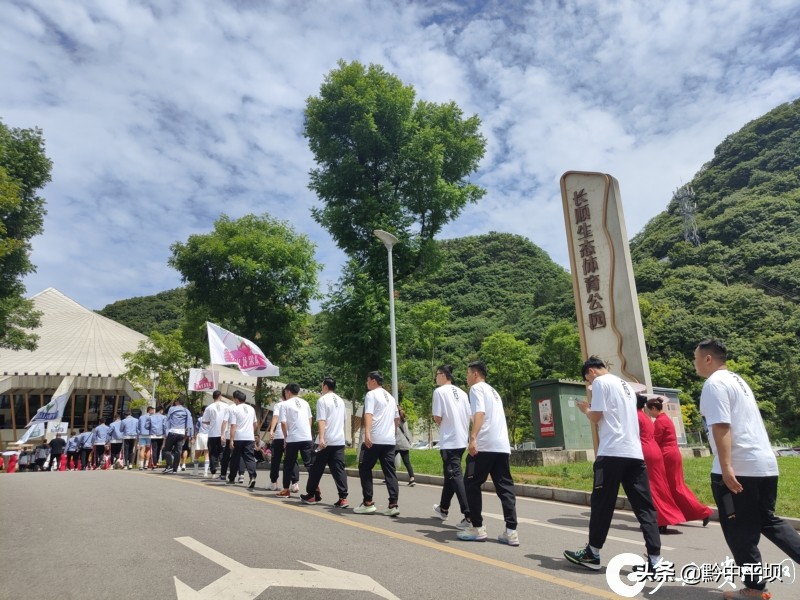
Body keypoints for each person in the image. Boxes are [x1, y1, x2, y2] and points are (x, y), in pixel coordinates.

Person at [695, 338, 800, 599]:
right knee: (768, 521)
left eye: (696, 358)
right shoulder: (737, 381)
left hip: (739, 469)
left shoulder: (714, 383)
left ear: (708, 359)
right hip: (764, 465)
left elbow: (721, 426)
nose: (694, 363)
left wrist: (727, 466)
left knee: (738, 528)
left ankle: (754, 588)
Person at [563, 356, 661, 570]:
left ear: (590, 371)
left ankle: (593, 553)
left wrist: (586, 410)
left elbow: (597, 417)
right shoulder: (624, 384)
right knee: (644, 507)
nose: (589, 383)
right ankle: (655, 560)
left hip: (612, 452)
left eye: (587, 379)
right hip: (634, 454)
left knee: (602, 504)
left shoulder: (599, 383)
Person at [457, 361, 518, 546]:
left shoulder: (476, 389)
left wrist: (473, 437)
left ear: (475, 374)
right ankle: (511, 531)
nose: (466, 377)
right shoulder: (493, 391)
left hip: (485, 445)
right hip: (501, 446)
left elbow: (480, 414)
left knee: (471, 483)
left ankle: (477, 528)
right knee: (505, 487)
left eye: (468, 373)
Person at [647, 395, 712, 526]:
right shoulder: (666, 419)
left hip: (667, 456)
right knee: (676, 486)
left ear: (654, 408)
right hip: (673, 454)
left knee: (674, 487)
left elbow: (656, 440)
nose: (648, 413)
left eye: (649, 410)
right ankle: (687, 512)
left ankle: (702, 511)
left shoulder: (660, 421)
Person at [353, 371, 400, 516]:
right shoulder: (391, 398)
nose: (367, 383)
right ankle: (393, 505)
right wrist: (391, 432)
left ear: (373, 381)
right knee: (390, 472)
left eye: (368, 380)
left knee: (364, 468)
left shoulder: (371, 395)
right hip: (389, 440)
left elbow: (368, 414)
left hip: (375, 439)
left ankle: (368, 502)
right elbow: (396, 419)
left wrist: (367, 433)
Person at [636, 394, 685, 533]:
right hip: (658, 452)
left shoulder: (645, 418)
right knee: (665, 486)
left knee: (655, 487)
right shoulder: (648, 418)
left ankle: (663, 518)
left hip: (655, 452)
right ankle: (667, 516)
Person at [431, 364, 472, 529]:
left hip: (450, 440)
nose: (435, 377)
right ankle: (443, 508)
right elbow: (470, 416)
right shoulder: (462, 392)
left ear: (443, 375)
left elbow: (437, 418)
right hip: (462, 439)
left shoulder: (439, 392)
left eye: (437, 374)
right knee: (450, 475)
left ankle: (469, 516)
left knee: (454, 475)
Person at [300, 377, 349, 508]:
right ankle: (343, 498)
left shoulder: (322, 400)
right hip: (338, 441)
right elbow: (343, 420)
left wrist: (321, 438)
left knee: (315, 468)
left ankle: (311, 495)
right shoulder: (341, 400)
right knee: (339, 470)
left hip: (325, 441)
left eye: (322, 386)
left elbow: (321, 420)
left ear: (326, 387)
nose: (321, 389)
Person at [276, 384, 313, 498]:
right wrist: (307, 431)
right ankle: (315, 487)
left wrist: (286, 437)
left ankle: (286, 489)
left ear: (288, 392)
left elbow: (283, 422)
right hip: (307, 437)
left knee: (289, 464)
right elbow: (310, 418)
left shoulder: (285, 404)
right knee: (309, 464)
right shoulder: (305, 403)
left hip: (293, 438)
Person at [268, 388, 299, 492]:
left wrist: (271, 430)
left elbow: (276, 417)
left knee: (276, 459)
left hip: (279, 435)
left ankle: (274, 483)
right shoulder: (296, 404)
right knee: (292, 460)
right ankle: (294, 483)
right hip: (292, 436)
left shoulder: (279, 405)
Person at [227, 390, 258, 489]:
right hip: (249, 437)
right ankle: (252, 476)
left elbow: (233, 425)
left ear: (236, 399)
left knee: (235, 457)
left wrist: (231, 440)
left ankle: (232, 477)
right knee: (249, 457)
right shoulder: (251, 409)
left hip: (238, 437)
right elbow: (255, 424)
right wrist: (251, 434)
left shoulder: (235, 409)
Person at [162, 399, 193, 474]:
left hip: (172, 431)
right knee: (178, 451)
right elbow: (189, 423)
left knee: (167, 450)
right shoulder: (186, 411)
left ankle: (169, 466)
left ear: (177, 402)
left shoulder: (172, 409)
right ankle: (175, 469)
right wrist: (189, 434)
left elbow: (167, 420)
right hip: (182, 433)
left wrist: (165, 432)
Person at [202, 391, 227, 477]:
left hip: (212, 433)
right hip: (224, 433)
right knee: (223, 453)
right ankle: (223, 472)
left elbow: (204, 421)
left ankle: (213, 469)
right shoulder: (226, 406)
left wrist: (211, 422)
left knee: (212, 452)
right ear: (220, 396)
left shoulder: (209, 407)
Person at [395, 409, 416, 486]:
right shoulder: (404, 420)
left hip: (397, 444)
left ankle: (391, 477)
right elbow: (407, 432)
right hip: (405, 443)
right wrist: (409, 441)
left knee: (388, 461)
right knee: (407, 462)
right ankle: (412, 478)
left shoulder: (395, 420)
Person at [149, 405, 167, 469]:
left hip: (153, 435)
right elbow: (165, 426)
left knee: (154, 449)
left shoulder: (151, 417)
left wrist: (150, 429)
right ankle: (156, 462)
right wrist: (166, 434)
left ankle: (154, 464)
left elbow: (147, 426)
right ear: (161, 410)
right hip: (161, 435)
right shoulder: (164, 417)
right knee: (159, 449)